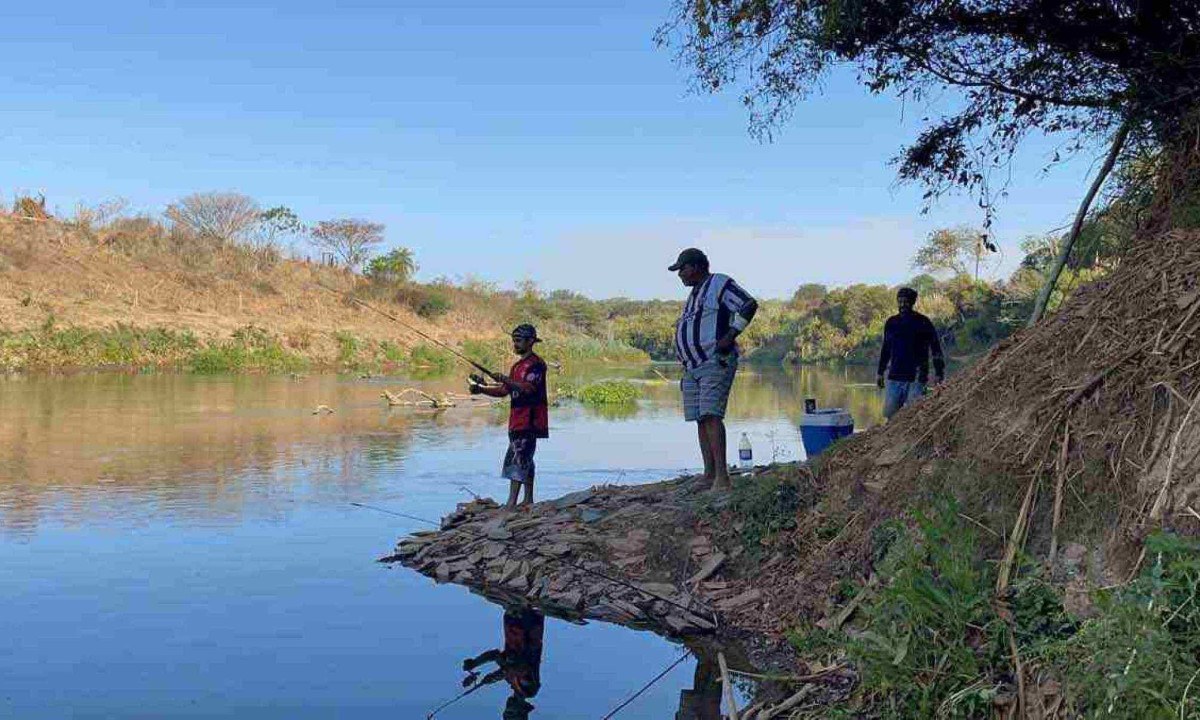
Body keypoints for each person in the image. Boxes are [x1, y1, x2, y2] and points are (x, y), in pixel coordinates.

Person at [669, 248, 758, 492]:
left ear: (696, 266)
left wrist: (730, 335)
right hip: (692, 367)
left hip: (714, 361)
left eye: (682, 269)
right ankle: (708, 474)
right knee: (700, 418)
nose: (680, 275)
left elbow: (748, 305)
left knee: (711, 415)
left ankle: (722, 477)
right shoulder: (694, 295)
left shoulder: (718, 283)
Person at [469, 324, 549, 509]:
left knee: (519, 457)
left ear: (531, 342)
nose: (515, 344)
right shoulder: (517, 366)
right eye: (514, 340)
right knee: (526, 456)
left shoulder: (536, 364)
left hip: (530, 419)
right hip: (516, 418)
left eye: (519, 341)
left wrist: (505, 379)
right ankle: (528, 499)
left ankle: (511, 503)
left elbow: (527, 388)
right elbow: (504, 391)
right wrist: (481, 389)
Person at [460, 606, 545, 719]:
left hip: (513, 617)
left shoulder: (511, 679)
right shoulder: (529, 690)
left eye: (506, 712)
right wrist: (496, 676)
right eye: (510, 713)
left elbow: (495, 655)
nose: (506, 708)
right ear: (521, 711)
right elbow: (521, 667)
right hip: (528, 620)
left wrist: (475, 663)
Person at [876, 287, 945, 419]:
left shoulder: (924, 322)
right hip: (895, 377)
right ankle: (891, 439)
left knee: (916, 417)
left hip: (917, 379)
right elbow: (886, 349)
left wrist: (939, 373)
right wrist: (880, 373)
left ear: (912, 302)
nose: (902, 305)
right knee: (890, 417)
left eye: (906, 302)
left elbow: (936, 348)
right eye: (900, 301)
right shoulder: (891, 323)